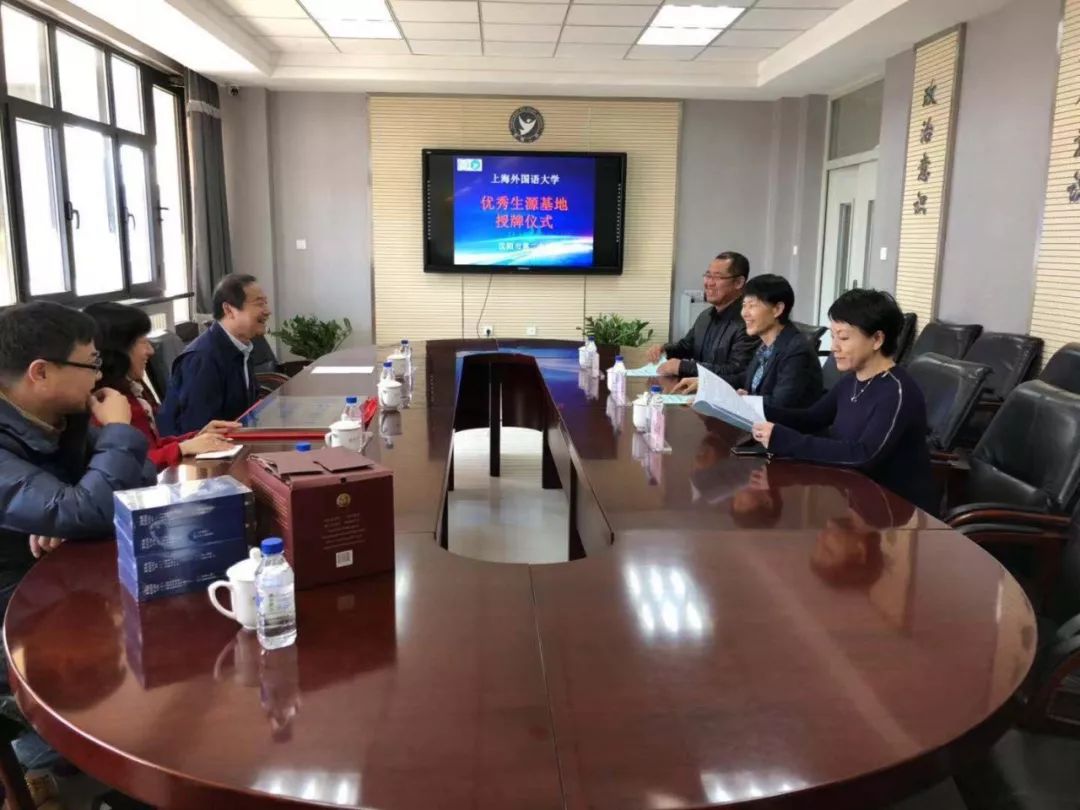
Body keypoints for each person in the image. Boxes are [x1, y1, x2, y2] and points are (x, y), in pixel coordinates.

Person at [0, 302, 157, 618]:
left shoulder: (64, 418)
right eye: (91, 364)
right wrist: (117, 429)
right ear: (41, 372)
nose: (98, 376)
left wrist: (71, 519)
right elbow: (85, 511)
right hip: (17, 607)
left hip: (67, 579)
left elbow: (142, 477)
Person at [749, 289, 936, 513]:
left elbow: (865, 455)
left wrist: (784, 439)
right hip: (855, 496)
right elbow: (811, 418)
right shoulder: (852, 380)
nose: (834, 347)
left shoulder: (897, 392)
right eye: (833, 336)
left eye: (844, 338)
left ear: (877, 339)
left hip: (894, 511)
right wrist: (755, 407)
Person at [84, 302, 239, 471]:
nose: (151, 351)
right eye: (142, 342)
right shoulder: (104, 404)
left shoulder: (131, 388)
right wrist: (181, 448)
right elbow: (132, 465)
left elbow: (152, 446)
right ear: (118, 349)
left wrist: (197, 437)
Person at [673, 274, 823, 408]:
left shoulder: (796, 351)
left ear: (777, 309)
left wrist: (739, 400)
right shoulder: (767, 346)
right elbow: (745, 378)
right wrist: (707, 383)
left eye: (752, 305)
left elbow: (780, 405)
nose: (744, 313)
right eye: (744, 305)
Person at [158, 274, 271, 435]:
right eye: (259, 304)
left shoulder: (241, 348)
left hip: (236, 439)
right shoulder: (202, 358)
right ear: (229, 310)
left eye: (265, 303)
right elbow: (198, 431)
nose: (267, 311)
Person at [646, 251, 759, 385]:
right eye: (708, 275)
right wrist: (664, 350)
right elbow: (686, 347)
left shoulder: (749, 322)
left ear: (739, 282)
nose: (708, 283)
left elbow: (737, 372)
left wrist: (683, 366)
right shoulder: (706, 315)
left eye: (717, 277)